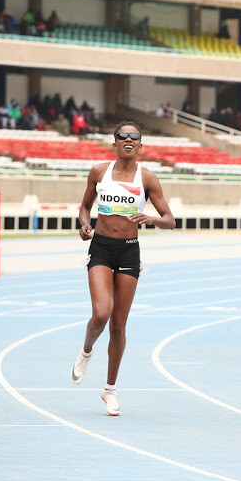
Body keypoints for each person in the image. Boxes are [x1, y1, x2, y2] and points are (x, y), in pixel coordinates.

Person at [70, 120, 176, 416]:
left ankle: (110, 390)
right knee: (101, 313)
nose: (128, 139)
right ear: (114, 142)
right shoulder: (99, 172)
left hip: (129, 251)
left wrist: (152, 219)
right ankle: (86, 351)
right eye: (122, 135)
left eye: (134, 136)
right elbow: (84, 207)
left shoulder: (148, 178)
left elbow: (170, 219)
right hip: (101, 248)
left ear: (140, 145)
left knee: (118, 325)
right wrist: (84, 225)